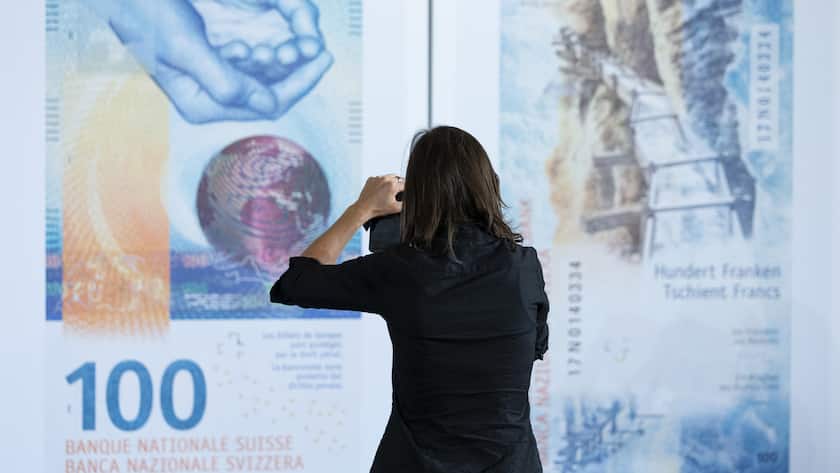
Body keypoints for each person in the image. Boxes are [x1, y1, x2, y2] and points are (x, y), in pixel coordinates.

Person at [270, 126, 550, 472]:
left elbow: (297, 283)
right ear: (487, 184)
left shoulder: (401, 271)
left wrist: (361, 210)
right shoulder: (524, 268)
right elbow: (535, 347)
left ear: (417, 195)